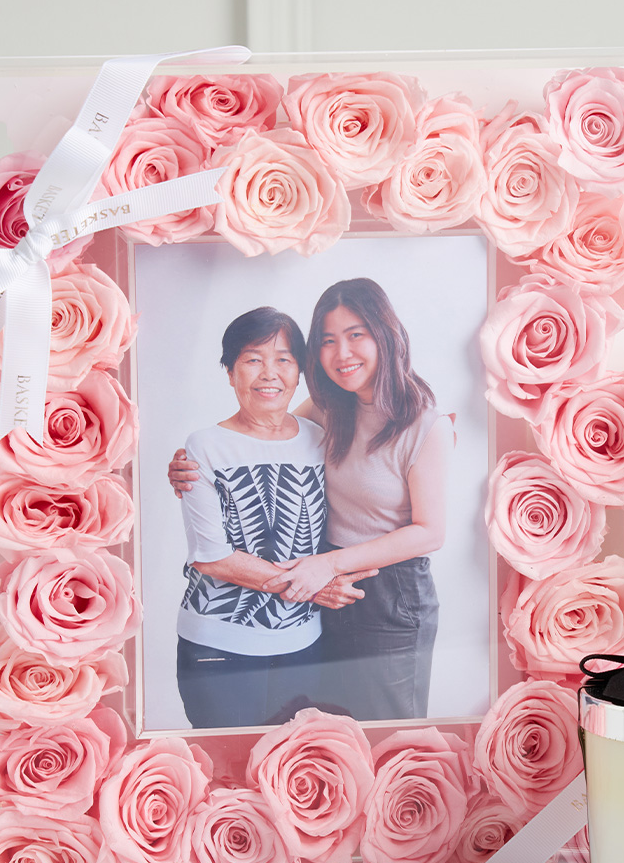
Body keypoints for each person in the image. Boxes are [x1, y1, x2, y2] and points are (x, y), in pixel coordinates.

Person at [173, 280, 451, 721]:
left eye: (356, 334)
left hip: (384, 591)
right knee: (330, 736)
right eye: (327, 340)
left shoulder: (425, 424)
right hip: (318, 597)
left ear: (386, 333)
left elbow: (431, 532)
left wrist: (327, 569)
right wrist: (189, 467)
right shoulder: (328, 409)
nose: (342, 353)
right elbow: (263, 431)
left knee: (388, 731)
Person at [174, 306, 375, 729]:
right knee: (228, 770)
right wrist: (313, 588)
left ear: (299, 372)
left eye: (283, 359)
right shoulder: (204, 447)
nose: (269, 374)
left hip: (304, 644)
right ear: (230, 372)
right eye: (252, 360)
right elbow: (212, 558)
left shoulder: (320, 440)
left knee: (291, 765)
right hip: (221, 647)